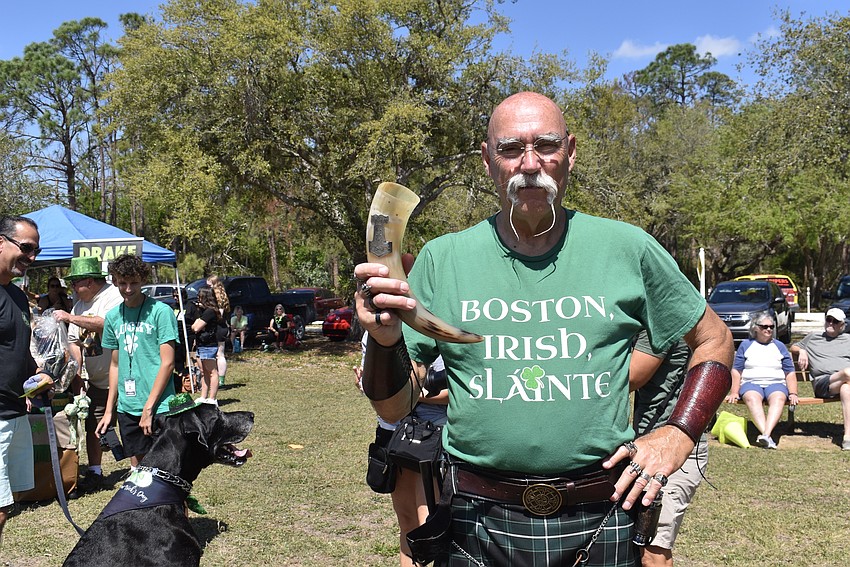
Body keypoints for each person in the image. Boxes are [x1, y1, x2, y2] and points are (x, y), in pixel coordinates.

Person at [354, 92, 733, 565]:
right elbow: (393, 403)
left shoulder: (626, 247)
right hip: (476, 518)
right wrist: (385, 343)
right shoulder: (442, 259)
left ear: (570, 151)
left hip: (602, 512)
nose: (529, 163)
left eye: (546, 145)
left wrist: (678, 432)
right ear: (488, 160)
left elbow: (715, 339)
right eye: (511, 149)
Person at [356, 332, 447, 567]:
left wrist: (403, 395)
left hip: (432, 436)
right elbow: (374, 386)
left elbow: (457, 390)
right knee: (407, 523)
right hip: (393, 433)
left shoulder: (438, 328)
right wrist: (370, 387)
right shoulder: (376, 332)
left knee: (430, 530)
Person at [630, 331, 705, 567]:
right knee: (638, 546)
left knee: (651, 552)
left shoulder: (659, 323)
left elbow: (630, 377)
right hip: (652, 447)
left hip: (669, 450)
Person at [97, 254, 178, 467]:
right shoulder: (113, 317)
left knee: (164, 469)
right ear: (114, 281)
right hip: (127, 407)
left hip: (159, 407)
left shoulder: (161, 312)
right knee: (138, 470)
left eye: (134, 282)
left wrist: (149, 408)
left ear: (143, 280)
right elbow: (114, 365)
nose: (128, 289)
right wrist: (109, 411)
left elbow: (168, 363)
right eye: (122, 283)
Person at [51, 256, 123, 493]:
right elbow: (74, 341)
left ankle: (140, 470)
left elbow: (107, 324)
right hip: (97, 380)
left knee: (131, 423)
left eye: (75, 283)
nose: (72, 288)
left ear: (90, 282)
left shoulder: (112, 296)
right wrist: (76, 372)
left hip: (124, 375)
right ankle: (95, 471)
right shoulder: (79, 304)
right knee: (93, 422)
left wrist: (69, 317)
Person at [0, 216, 44, 545]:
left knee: (7, 503)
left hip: (16, 411)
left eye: (35, 251)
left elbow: (20, 350)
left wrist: (36, 374)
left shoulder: (16, 296)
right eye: (26, 248)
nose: (31, 257)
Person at [724, 312, 797, 449]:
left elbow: (789, 372)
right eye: (764, 326)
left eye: (771, 326)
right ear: (755, 328)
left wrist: (793, 393)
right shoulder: (746, 345)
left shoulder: (780, 346)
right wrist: (734, 392)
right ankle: (767, 436)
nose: (768, 329)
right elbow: (736, 370)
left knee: (779, 398)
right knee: (752, 398)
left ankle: (765, 435)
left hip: (776, 383)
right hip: (751, 383)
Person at [790, 307, 850, 450]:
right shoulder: (813, 337)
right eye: (828, 319)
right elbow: (793, 347)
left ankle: (848, 437)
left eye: (835, 321)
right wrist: (802, 350)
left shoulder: (848, 340)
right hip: (823, 384)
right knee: (847, 373)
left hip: (843, 384)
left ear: (842, 325)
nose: (831, 323)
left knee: (846, 388)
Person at [192, 287, 227, 404]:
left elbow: (196, 327)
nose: (198, 299)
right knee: (203, 372)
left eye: (200, 296)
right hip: (200, 344)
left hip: (208, 345)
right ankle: (203, 396)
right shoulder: (203, 311)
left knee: (212, 372)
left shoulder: (210, 312)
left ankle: (212, 399)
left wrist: (196, 324)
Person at [206, 276, 229, 387]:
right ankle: (220, 379)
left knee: (219, 354)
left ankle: (220, 380)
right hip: (223, 326)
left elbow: (219, 315)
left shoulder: (216, 296)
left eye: (209, 285)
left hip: (218, 328)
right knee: (220, 354)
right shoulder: (223, 295)